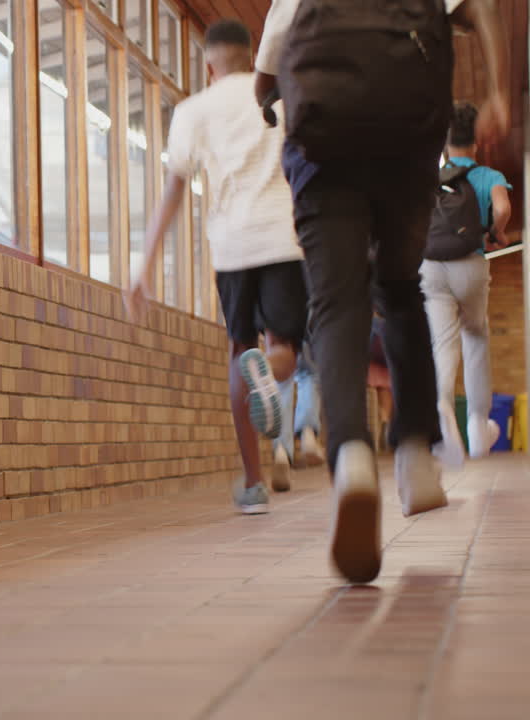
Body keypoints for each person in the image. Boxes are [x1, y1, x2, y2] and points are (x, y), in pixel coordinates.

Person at [255, 0, 510, 583]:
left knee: (337, 304)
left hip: (322, 148)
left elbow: (269, 68)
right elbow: (483, 9)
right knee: (400, 291)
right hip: (405, 145)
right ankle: (417, 455)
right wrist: (498, 93)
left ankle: (351, 458)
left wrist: (269, 102)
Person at [127, 19, 306, 515]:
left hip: (231, 247)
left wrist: (143, 264)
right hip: (282, 238)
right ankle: (267, 375)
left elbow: (173, 193)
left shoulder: (191, 111)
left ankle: (252, 486)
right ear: (252, 57)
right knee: (284, 349)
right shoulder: (278, 98)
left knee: (237, 350)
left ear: (209, 65)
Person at [424, 102, 513, 466]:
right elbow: (503, 207)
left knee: (443, 344)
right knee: (476, 336)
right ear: (474, 143)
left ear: (445, 143)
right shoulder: (487, 175)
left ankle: (443, 410)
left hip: (431, 266)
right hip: (471, 265)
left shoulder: (430, 176)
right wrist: (497, 231)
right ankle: (478, 427)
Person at [273, 346, 324, 491]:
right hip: (305, 326)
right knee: (309, 374)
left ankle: (281, 452)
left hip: (278, 325)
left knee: (282, 381)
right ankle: (307, 431)